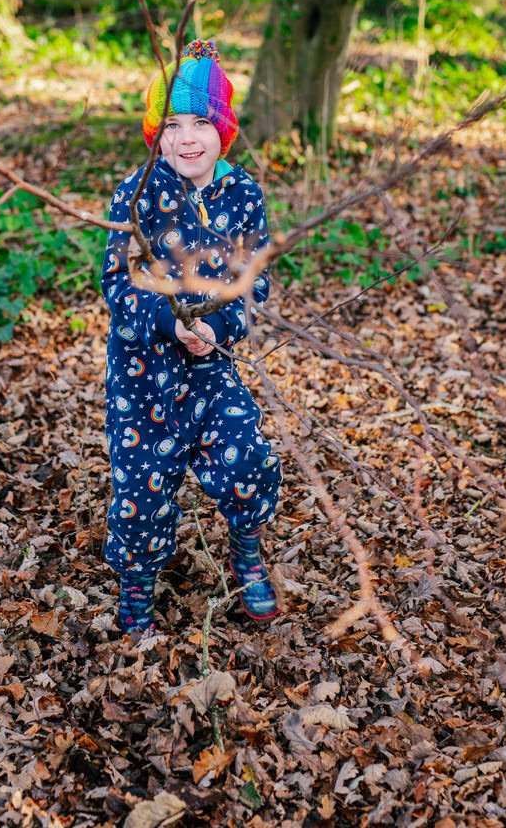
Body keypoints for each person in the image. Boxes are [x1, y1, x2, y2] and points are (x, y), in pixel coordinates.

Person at [101, 39, 282, 634]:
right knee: (142, 493)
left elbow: (253, 285)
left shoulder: (242, 194)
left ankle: (247, 548)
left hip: (211, 369)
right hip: (143, 377)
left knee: (248, 458)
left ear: (222, 130)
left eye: (201, 122)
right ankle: (136, 584)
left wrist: (217, 325)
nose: (186, 138)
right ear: (155, 133)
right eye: (172, 124)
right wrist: (168, 322)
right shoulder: (136, 193)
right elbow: (117, 285)